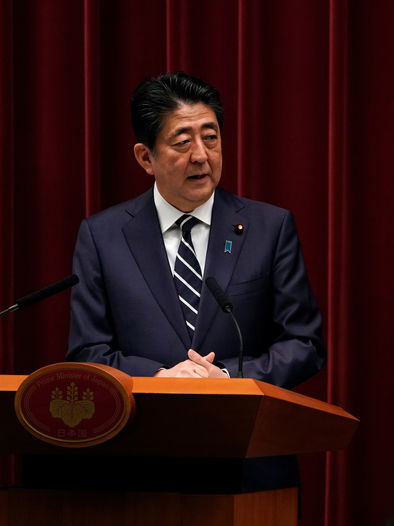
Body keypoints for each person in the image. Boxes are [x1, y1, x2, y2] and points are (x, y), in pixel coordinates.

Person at [59, 71, 325, 492]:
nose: (202, 155)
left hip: (247, 469)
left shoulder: (269, 228)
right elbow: (88, 350)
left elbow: (304, 342)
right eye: (183, 142)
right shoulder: (103, 236)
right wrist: (159, 378)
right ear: (145, 157)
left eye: (211, 137)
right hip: (138, 470)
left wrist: (228, 378)